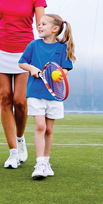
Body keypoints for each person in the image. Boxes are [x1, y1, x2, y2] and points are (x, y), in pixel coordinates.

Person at [0, 0, 46, 169]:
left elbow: (41, 27)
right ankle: (13, 151)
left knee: (19, 101)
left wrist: (44, 52)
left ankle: (21, 139)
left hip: (25, 54)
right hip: (1, 51)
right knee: (5, 98)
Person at [18, 14, 75, 179]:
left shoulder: (63, 47)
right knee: (40, 127)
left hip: (55, 95)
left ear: (55, 29)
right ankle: (40, 163)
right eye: (39, 24)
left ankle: (46, 162)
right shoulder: (33, 45)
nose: (39, 26)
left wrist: (60, 74)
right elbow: (22, 62)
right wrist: (31, 69)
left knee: (49, 129)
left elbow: (65, 68)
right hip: (35, 93)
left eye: (43, 24)